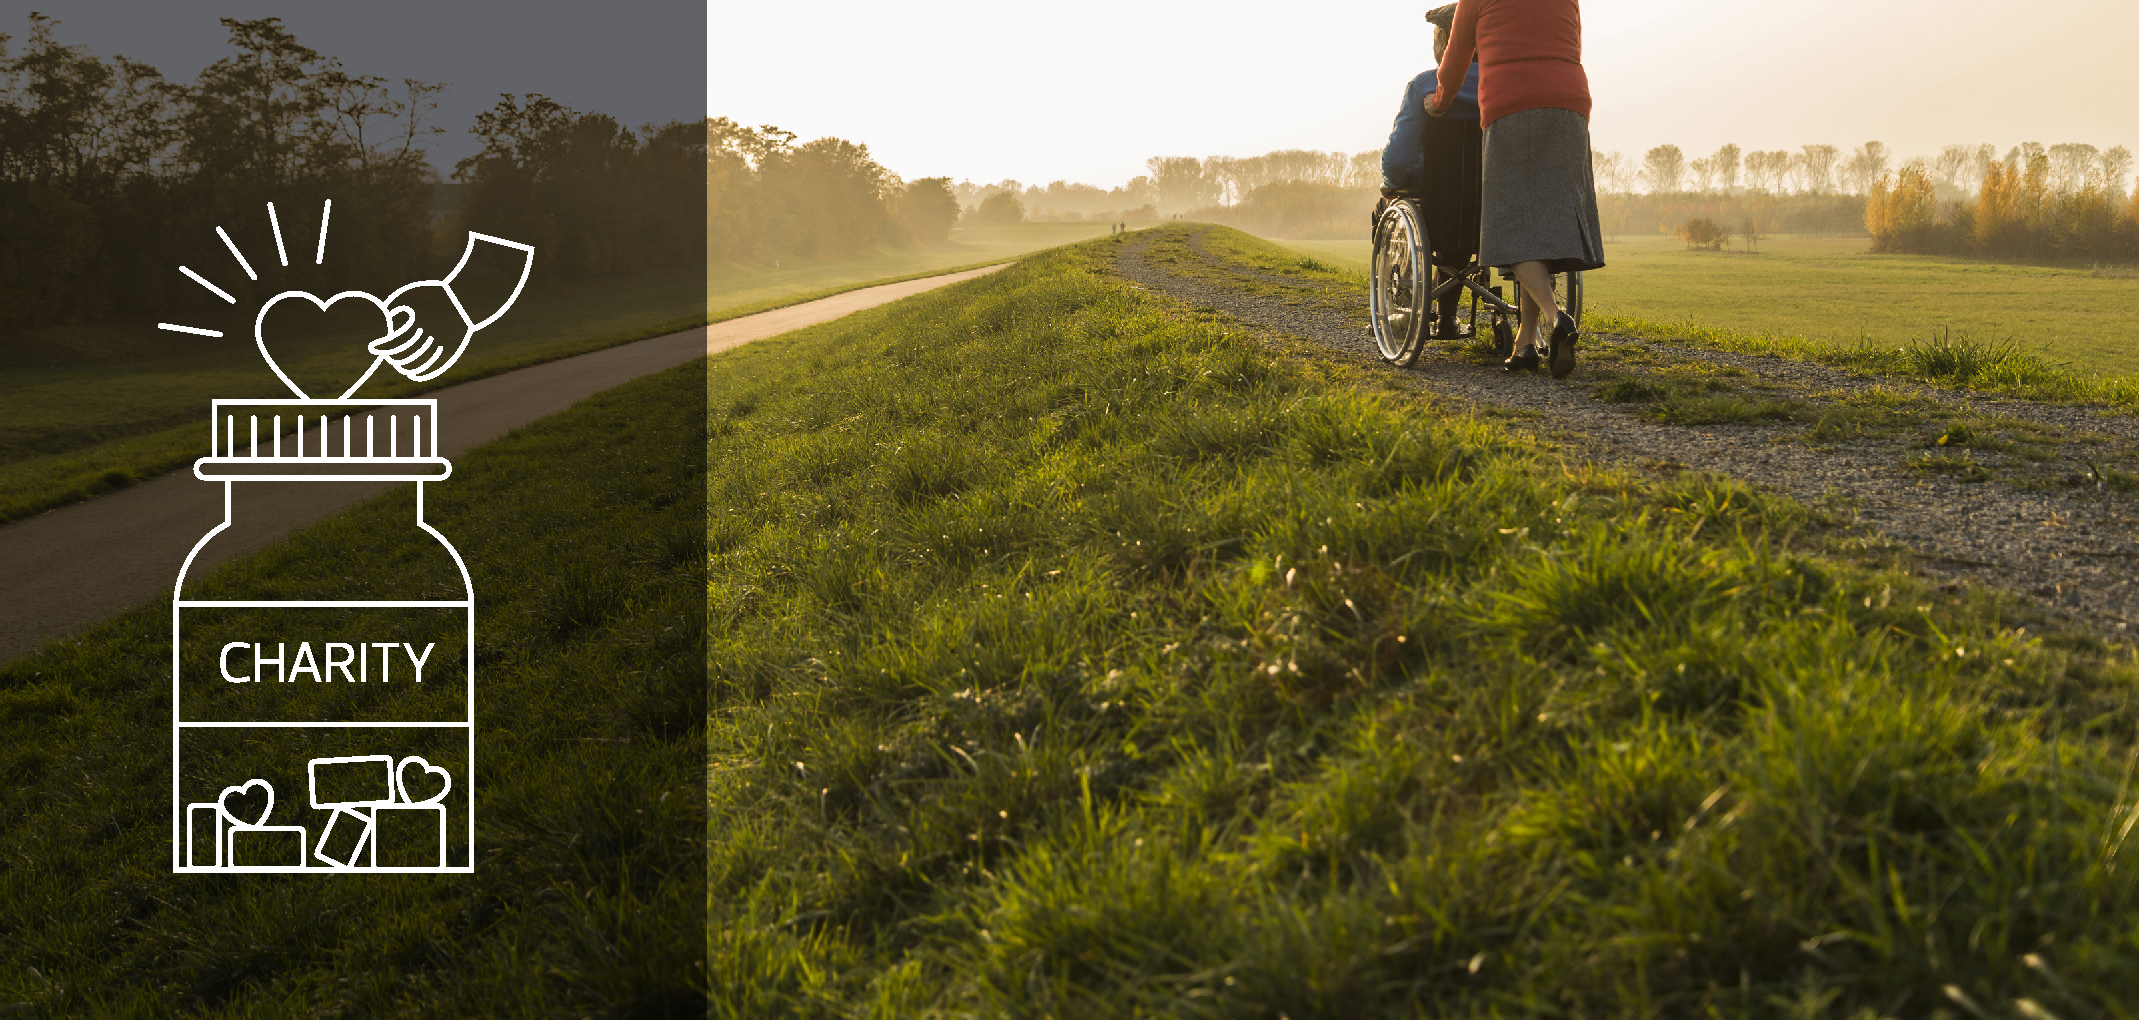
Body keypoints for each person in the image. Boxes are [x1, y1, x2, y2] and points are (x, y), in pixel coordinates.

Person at [1428, 0, 1603, 378]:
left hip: (1513, 108)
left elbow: (1457, 57)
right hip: (1570, 105)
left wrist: (1439, 102)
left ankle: (1558, 319)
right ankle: (1525, 341)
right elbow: (1571, 46)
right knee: (1540, 226)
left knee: (1510, 230)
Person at [1380, 4, 1481, 342]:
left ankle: (1402, 307)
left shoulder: (1425, 86)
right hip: (1489, 212)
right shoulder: (1504, 88)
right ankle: (1449, 317)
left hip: (1436, 207)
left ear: (1443, 42)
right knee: (1463, 217)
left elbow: (1397, 161)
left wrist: (1391, 185)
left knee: (1390, 209)